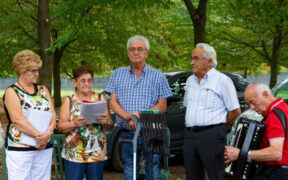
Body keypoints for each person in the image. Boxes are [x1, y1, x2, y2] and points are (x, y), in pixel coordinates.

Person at [105, 35, 172, 180]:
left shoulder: (158, 76)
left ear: (147, 52)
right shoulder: (117, 74)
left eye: (140, 49)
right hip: (127, 131)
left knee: (154, 169)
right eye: (132, 49)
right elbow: (113, 103)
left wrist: (141, 115)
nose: (136, 52)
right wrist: (128, 116)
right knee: (130, 168)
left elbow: (162, 106)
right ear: (128, 52)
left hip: (152, 130)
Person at [183, 43, 241, 180]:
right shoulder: (190, 80)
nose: (192, 62)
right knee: (192, 175)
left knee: (216, 175)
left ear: (209, 61)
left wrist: (218, 126)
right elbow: (187, 106)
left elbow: (235, 111)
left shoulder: (222, 81)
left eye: (196, 58)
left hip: (212, 135)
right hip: (190, 135)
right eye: (191, 58)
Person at [3, 50, 56, 180]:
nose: (37, 74)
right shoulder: (12, 91)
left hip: (44, 147)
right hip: (20, 149)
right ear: (21, 71)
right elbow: (17, 120)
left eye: (38, 70)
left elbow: (52, 114)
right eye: (33, 71)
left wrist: (49, 132)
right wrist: (39, 137)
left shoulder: (43, 90)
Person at [58, 65, 114, 180]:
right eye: (83, 81)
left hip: (96, 153)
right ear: (75, 82)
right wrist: (74, 124)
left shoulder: (100, 98)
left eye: (89, 80)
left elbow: (110, 125)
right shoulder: (70, 100)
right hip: (74, 154)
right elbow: (60, 127)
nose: (87, 84)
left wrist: (106, 121)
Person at [225, 83, 288, 180]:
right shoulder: (284, 108)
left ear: (265, 94)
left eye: (253, 102)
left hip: (276, 172)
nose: (252, 108)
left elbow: (276, 153)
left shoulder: (274, 116)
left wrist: (241, 154)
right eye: (249, 104)